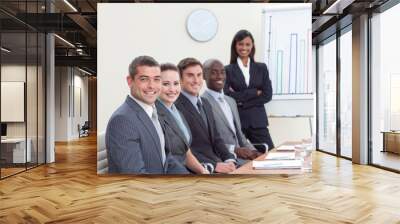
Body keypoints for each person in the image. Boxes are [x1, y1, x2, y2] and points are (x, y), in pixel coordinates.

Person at [105, 55, 188, 174]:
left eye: (156, 79)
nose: (152, 86)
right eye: (144, 79)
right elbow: (136, 176)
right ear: (130, 81)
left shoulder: (154, 112)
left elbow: (167, 159)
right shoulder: (122, 120)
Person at [175, 57, 237, 174]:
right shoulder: (176, 107)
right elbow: (183, 149)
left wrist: (229, 158)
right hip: (200, 169)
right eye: (190, 75)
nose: (196, 80)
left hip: (218, 164)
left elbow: (216, 138)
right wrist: (215, 166)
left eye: (199, 75)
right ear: (180, 79)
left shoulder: (205, 103)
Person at [201, 59, 262, 163]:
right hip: (224, 159)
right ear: (204, 76)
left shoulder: (231, 101)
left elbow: (240, 135)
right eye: (213, 73)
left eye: (222, 72)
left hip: (243, 157)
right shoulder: (202, 103)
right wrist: (234, 150)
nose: (219, 76)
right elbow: (206, 140)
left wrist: (253, 151)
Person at [224, 29, 274, 151]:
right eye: (240, 44)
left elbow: (267, 95)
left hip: (258, 122)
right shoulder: (228, 70)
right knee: (241, 158)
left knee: (270, 154)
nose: (244, 47)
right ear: (235, 46)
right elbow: (227, 95)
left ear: (252, 46)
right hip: (238, 122)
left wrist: (242, 102)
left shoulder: (261, 68)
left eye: (247, 44)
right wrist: (254, 92)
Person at [156, 63, 210, 174]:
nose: (172, 89)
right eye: (166, 84)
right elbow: (167, 159)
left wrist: (203, 172)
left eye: (176, 83)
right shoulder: (154, 115)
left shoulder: (177, 112)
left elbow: (186, 152)